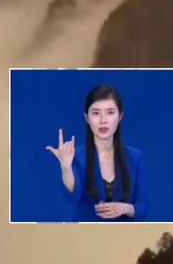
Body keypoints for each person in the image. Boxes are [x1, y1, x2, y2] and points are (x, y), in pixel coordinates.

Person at [45, 84, 149, 221]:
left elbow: (143, 207)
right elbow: (72, 197)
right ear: (87, 118)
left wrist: (126, 208)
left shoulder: (135, 157)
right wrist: (66, 168)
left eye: (110, 112)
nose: (103, 120)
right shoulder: (75, 156)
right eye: (95, 113)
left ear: (120, 116)